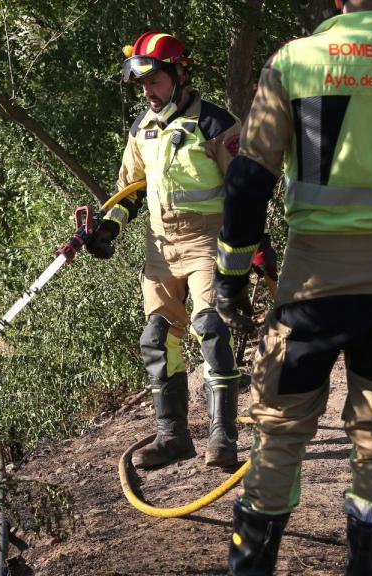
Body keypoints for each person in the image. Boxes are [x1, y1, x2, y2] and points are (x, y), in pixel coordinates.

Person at [214, 0, 372, 574]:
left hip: (312, 283)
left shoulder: (296, 60)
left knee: (278, 430)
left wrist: (231, 272)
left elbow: (250, 178)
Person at [87, 31, 254, 469]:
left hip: (207, 242)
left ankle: (223, 439)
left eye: (154, 81)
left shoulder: (217, 124)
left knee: (210, 329)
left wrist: (252, 251)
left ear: (180, 75)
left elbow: (244, 194)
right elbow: (129, 192)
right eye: (141, 85)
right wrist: (107, 231)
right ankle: (173, 437)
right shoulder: (142, 128)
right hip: (161, 248)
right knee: (158, 338)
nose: (147, 92)